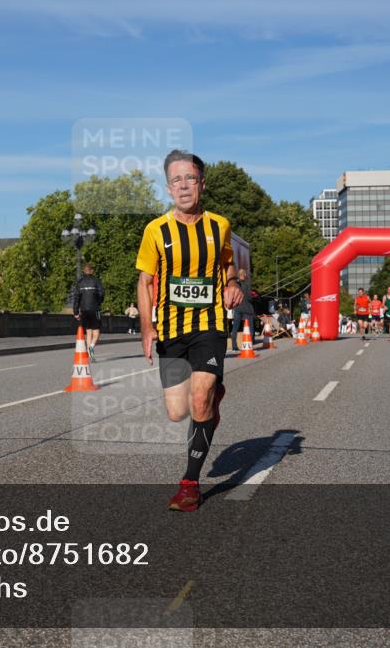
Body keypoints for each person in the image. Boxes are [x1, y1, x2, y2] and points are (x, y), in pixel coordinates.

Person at [136, 149, 242, 512]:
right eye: (177, 180)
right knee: (177, 412)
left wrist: (231, 282)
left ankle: (189, 484)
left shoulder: (219, 226)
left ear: (201, 184)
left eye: (190, 178)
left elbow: (229, 263)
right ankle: (211, 398)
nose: (184, 185)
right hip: (170, 330)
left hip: (209, 325)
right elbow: (144, 280)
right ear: (168, 188)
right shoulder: (155, 231)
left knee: (200, 398)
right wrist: (147, 328)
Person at [72, 262, 104, 361]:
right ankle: (91, 347)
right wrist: (98, 302)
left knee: (89, 331)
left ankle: (90, 355)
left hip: (84, 310)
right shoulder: (96, 281)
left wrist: (76, 311)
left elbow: (76, 297)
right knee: (97, 332)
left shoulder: (80, 282)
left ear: (83, 271)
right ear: (92, 271)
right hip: (94, 309)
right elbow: (102, 293)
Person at [230, 268, 256, 351]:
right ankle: (250, 344)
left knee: (235, 328)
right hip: (247, 309)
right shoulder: (247, 284)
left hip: (237, 308)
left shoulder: (235, 284)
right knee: (250, 327)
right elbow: (249, 297)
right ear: (244, 275)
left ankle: (234, 346)